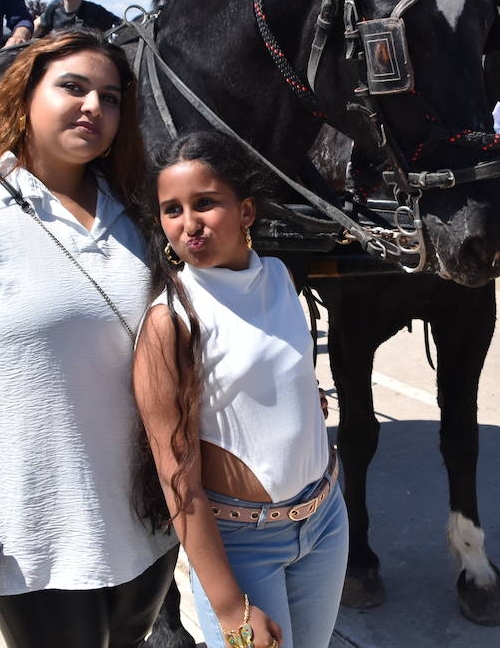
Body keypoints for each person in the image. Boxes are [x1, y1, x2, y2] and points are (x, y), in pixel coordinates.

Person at [0, 30, 178, 647]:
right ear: (23, 97)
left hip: (146, 522)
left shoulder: (137, 214)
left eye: (111, 96)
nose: (94, 106)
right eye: (72, 87)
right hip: (32, 527)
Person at [134, 131, 348, 648]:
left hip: (325, 521)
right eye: (172, 209)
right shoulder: (172, 321)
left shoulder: (278, 276)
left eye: (205, 203)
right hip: (243, 545)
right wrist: (230, 606)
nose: (189, 224)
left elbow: (281, 372)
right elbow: (178, 479)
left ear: (246, 211)